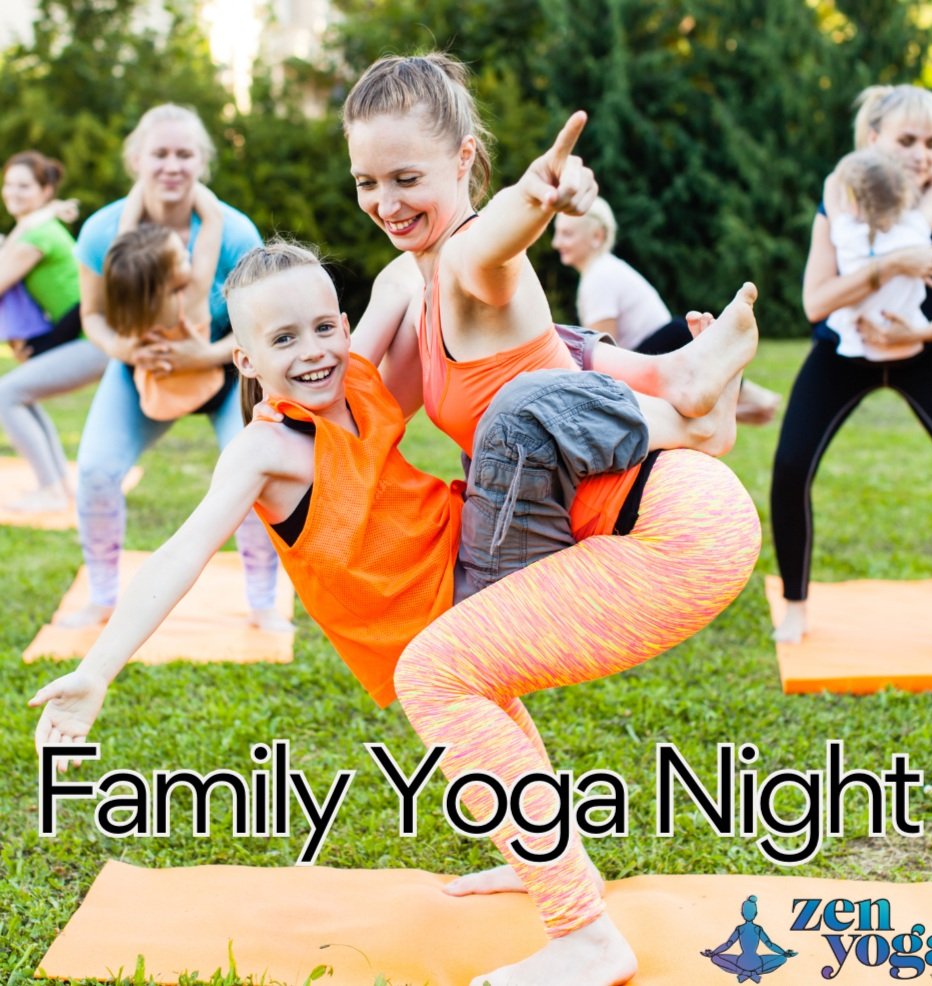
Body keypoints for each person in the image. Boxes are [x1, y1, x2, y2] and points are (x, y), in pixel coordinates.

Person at [31, 244, 760, 986]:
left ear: (344, 326)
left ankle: (586, 935)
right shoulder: (263, 449)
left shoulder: (358, 379)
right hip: (458, 587)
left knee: (516, 409)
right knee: (488, 712)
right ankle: (543, 862)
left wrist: (447, 233)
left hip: (481, 558)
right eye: (283, 339)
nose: (312, 352)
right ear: (244, 360)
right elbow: (181, 553)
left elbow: (402, 276)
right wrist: (97, 670)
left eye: (324, 328)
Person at [342, 53, 761, 984]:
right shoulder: (420, 286)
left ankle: (586, 938)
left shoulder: (470, 260)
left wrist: (537, 194)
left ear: (464, 159)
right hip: (653, 512)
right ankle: (542, 858)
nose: (385, 201)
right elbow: (364, 409)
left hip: (671, 531)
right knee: (471, 667)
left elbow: (494, 244)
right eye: (367, 181)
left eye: (407, 178)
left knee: (436, 674)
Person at [770, 84, 932, 648]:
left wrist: (921, 332)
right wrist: (891, 265)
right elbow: (815, 302)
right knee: (791, 466)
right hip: (844, 350)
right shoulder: (841, 195)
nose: (923, 154)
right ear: (873, 139)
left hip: (926, 349)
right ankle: (795, 608)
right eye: (907, 140)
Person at [60, 103, 283, 631]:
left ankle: (263, 603)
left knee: (256, 474)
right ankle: (102, 596)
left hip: (227, 369)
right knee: (95, 470)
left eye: (184, 154)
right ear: (137, 159)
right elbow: (92, 317)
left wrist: (204, 356)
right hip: (141, 369)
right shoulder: (102, 231)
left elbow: (263, 327)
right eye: (159, 153)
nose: (172, 165)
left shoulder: (233, 233)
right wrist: (125, 350)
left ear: (201, 161)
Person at [551, 196, 781, 424]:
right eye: (558, 233)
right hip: (666, 344)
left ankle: (747, 401)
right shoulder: (605, 269)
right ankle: (742, 405)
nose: (556, 243)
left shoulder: (599, 276)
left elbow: (596, 358)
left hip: (661, 348)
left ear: (597, 236)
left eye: (567, 234)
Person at [0, 151, 108, 512]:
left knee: (6, 394)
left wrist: (45, 215)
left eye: (24, 186)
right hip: (88, 338)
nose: (13, 193)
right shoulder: (38, 227)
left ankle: (51, 490)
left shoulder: (39, 235)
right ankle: (59, 486)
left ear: (45, 191)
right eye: (9, 185)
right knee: (19, 395)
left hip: (95, 340)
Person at [103, 181, 227, 421]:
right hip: (208, 391)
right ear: (163, 281)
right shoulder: (191, 298)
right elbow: (213, 219)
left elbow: (126, 233)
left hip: (156, 402)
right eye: (181, 259)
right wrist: (188, 181)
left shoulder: (130, 306)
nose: (188, 254)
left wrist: (146, 181)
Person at [823, 147, 932, 361]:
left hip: (860, 345)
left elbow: (830, 186)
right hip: (908, 339)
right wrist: (925, 160)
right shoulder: (915, 232)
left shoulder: (848, 235)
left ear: (853, 201)